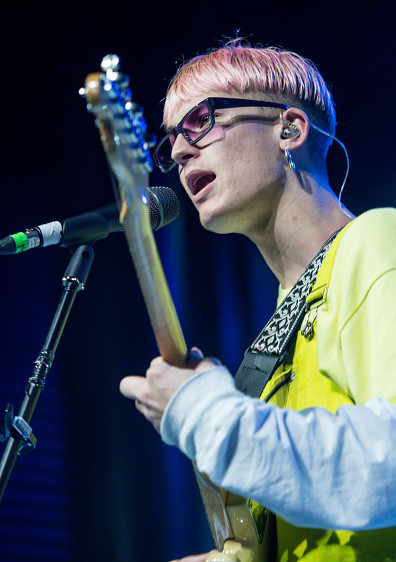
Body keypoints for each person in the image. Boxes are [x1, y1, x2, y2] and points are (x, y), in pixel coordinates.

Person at [119, 40, 396, 561]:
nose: (178, 153)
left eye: (200, 120)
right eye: (170, 142)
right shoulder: (274, 335)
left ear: (289, 130)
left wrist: (209, 415)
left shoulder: (379, 241)